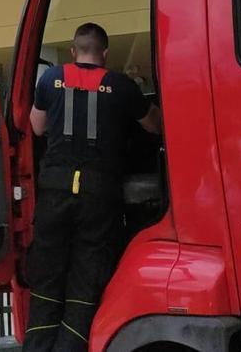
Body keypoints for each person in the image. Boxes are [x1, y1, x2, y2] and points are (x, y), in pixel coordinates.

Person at [23, 23, 162, 352]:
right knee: (86, 279)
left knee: (47, 277)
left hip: (55, 190)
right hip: (99, 194)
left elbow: (37, 127)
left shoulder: (49, 79)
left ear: (73, 51)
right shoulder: (122, 85)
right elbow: (155, 126)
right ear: (105, 54)